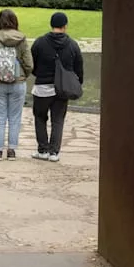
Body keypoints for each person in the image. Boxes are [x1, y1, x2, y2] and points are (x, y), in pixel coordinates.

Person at [30, 11, 83, 162]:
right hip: (63, 88)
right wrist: (78, 82)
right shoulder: (72, 45)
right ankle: (54, 152)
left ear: (51, 24)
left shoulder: (40, 42)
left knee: (40, 118)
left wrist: (39, 74)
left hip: (42, 87)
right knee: (58, 120)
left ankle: (42, 150)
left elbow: (31, 63)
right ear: (65, 26)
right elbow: (79, 67)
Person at [0, 9, 33, 161]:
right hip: (18, 83)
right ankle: (11, 150)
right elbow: (29, 64)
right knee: (15, 117)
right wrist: (23, 75)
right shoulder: (22, 39)